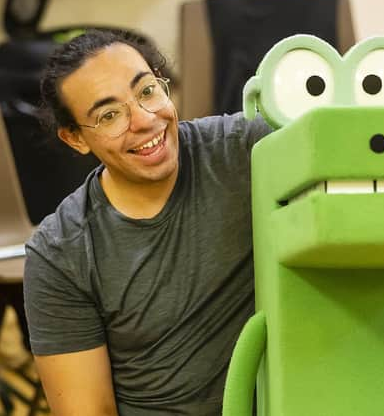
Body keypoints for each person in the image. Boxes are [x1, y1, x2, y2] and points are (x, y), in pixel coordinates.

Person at [23, 29, 271, 416]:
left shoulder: (246, 152)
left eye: (147, 91)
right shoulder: (61, 252)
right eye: (109, 115)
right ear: (75, 139)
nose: (143, 120)